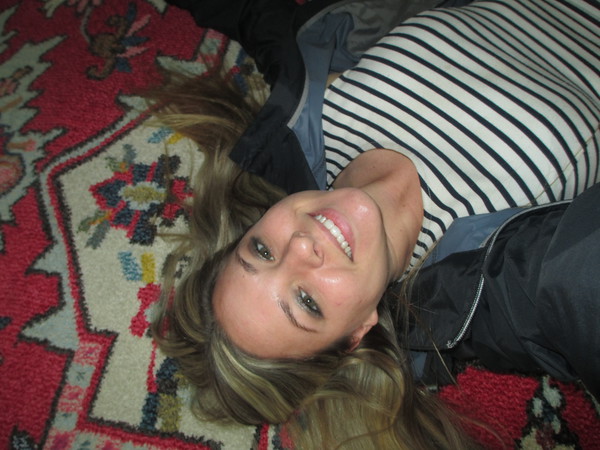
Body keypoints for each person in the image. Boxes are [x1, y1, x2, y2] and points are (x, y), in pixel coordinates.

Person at [150, 0, 600, 448]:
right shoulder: (490, 280)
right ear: (357, 332)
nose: (301, 247)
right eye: (306, 301)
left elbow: (258, 16)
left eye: (262, 251)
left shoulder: (308, 121)